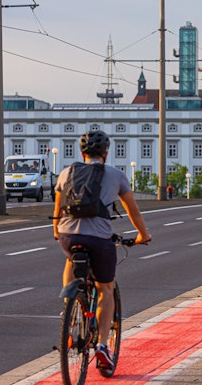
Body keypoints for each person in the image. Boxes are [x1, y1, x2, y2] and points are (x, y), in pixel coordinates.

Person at [53, 129, 151, 370]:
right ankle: (102, 346)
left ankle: (69, 309)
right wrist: (143, 235)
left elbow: (58, 211)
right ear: (106, 153)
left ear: (82, 154)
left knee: (71, 259)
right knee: (105, 288)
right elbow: (133, 211)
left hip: (68, 235)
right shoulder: (116, 175)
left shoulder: (66, 173)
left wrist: (58, 233)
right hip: (98, 238)